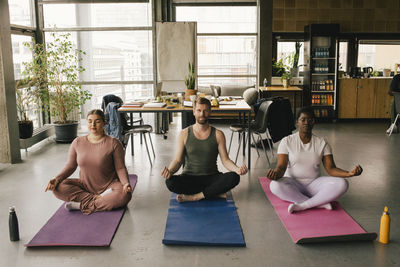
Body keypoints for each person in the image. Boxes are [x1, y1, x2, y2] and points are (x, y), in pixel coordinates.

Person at [266, 107, 363, 213]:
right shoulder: (286, 141)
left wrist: (349, 174)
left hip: (315, 184)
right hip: (293, 184)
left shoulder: (322, 143)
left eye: (310, 120)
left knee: (343, 184)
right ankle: (318, 203)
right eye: (303, 120)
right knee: (274, 185)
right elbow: (281, 167)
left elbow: (331, 169)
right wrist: (275, 174)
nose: (306, 123)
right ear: (297, 122)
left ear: (314, 122)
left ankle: (303, 205)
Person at [45, 109, 132, 214]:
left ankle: (80, 205)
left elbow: (120, 168)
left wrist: (126, 183)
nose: (93, 125)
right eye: (90, 121)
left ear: (104, 123)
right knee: (57, 188)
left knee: (125, 195)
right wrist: (56, 179)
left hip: (109, 186)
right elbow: (71, 166)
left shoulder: (114, 143)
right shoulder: (77, 142)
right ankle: (98, 200)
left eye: (97, 121)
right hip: (85, 186)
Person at [161, 97, 248, 202]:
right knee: (170, 182)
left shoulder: (218, 134)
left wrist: (237, 169)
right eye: (199, 110)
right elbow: (178, 160)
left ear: (210, 112)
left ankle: (196, 196)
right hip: (189, 177)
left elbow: (225, 160)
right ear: (194, 111)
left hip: (211, 177)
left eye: (205, 110)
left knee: (234, 177)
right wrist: (169, 171)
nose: (202, 114)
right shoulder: (184, 134)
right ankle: (213, 193)